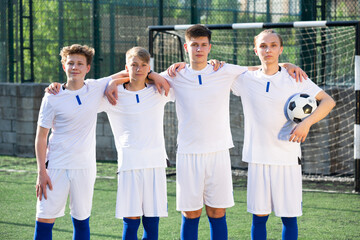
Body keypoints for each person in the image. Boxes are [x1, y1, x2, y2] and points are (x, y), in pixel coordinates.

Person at [121, 25, 305, 240]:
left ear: (210, 47)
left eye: (203, 45)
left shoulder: (223, 70)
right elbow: (137, 74)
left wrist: (286, 64)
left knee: (217, 212)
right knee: (191, 213)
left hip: (218, 153)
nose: (199, 49)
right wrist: (152, 73)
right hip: (188, 154)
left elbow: (261, 67)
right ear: (186, 47)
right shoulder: (175, 75)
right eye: (194, 45)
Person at [33, 44, 147, 240]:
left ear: (87, 68)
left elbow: (133, 72)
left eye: (80, 63)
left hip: (84, 168)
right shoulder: (52, 96)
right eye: (71, 63)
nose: (75, 67)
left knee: (82, 221)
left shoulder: (95, 87)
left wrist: (114, 83)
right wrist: (41, 172)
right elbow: (41, 137)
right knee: (44, 221)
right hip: (56, 168)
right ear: (63, 66)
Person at [230, 29, 335, 239]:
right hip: (258, 157)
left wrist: (306, 123)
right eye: (263, 46)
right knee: (259, 216)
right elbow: (217, 73)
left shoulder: (294, 78)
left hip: (287, 157)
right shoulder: (245, 79)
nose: (268, 50)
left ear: (281, 49)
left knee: (289, 216)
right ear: (255, 50)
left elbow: (328, 101)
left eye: (273, 45)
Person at [101, 47, 174, 239]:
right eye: (134, 65)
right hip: (129, 164)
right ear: (126, 67)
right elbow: (89, 86)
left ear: (149, 68)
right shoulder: (111, 94)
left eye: (144, 66)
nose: (139, 69)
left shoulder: (159, 90)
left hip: (155, 164)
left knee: (152, 222)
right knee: (131, 221)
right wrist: (113, 81)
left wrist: (155, 76)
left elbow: (182, 74)